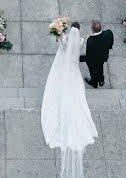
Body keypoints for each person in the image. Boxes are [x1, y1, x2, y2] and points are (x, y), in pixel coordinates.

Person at [40, 24, 98, 178]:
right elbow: (77, 49)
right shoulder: (81, 40)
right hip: (72, 67)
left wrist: (58, 36)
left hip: (62, 64)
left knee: (55, 84)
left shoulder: (65, 39)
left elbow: (60, 45)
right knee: (77, 95)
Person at [80, 20, 114, 87]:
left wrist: (84, 59)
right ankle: (101, 80)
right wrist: (109, 47)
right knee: (100, 67)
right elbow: (111, 41)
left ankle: (94, 82)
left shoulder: (90, 40)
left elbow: (89, 54)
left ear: (92, 29)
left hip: (94, 59)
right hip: (103, 56)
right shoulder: (108, 32)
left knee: (93, 70)